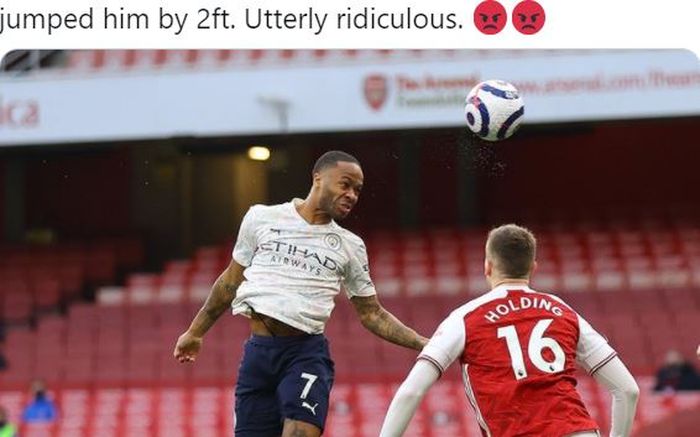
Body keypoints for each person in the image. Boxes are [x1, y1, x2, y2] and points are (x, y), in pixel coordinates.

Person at [174, 150, 428, 437]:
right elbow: (230, 281)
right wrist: (195, 332)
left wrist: (423, 343)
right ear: (317, 178)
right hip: (258, 354)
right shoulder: (261, 218)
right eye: (345, 185)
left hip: (304, 354)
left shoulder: (350, 245)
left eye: (357, 190)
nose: (352, 195)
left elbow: (372, 313)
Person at [380, 224, 639, 437]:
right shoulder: (562, 310)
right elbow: (627, 390)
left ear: (488, 267)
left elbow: (412, 390)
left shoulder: (465, 318)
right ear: (532, 268)